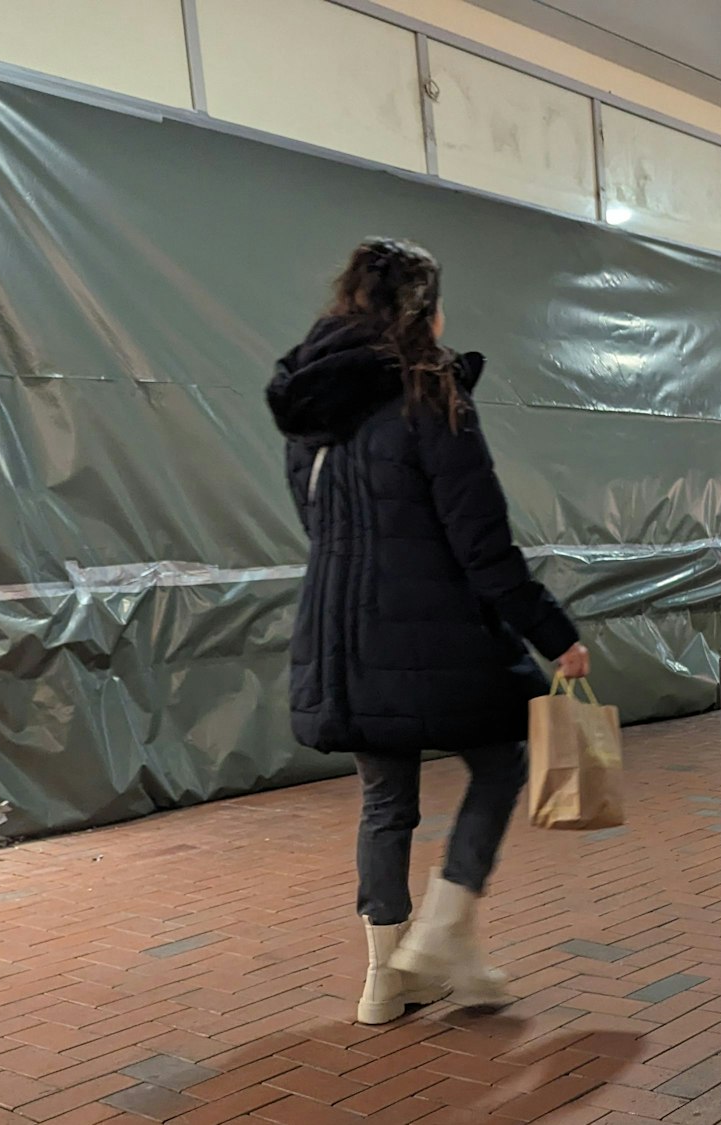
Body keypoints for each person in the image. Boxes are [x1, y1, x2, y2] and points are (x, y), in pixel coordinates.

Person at [266, 237, 590, 1024]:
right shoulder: (431, 394)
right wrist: (555, 635)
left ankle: (387, 978)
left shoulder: (312, 411)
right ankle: (444, 929)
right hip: (435, 632)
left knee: (385, 801)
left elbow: (323, 528)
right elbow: (481, 542)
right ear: (423, 309)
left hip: (341, 639)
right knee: (502, 760)